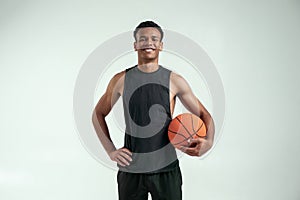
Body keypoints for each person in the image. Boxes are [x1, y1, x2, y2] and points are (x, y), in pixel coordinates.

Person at [92, 21, 215, 200]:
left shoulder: (175, 80)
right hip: (132, 169)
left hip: (166, 169)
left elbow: (204, 115)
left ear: (161, 45)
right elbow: (98, 114)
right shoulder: (121, 80)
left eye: (154, 39)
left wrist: (209, 142)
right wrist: (111, 150)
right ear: (135, 45)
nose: (148, 42)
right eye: (142, 39)